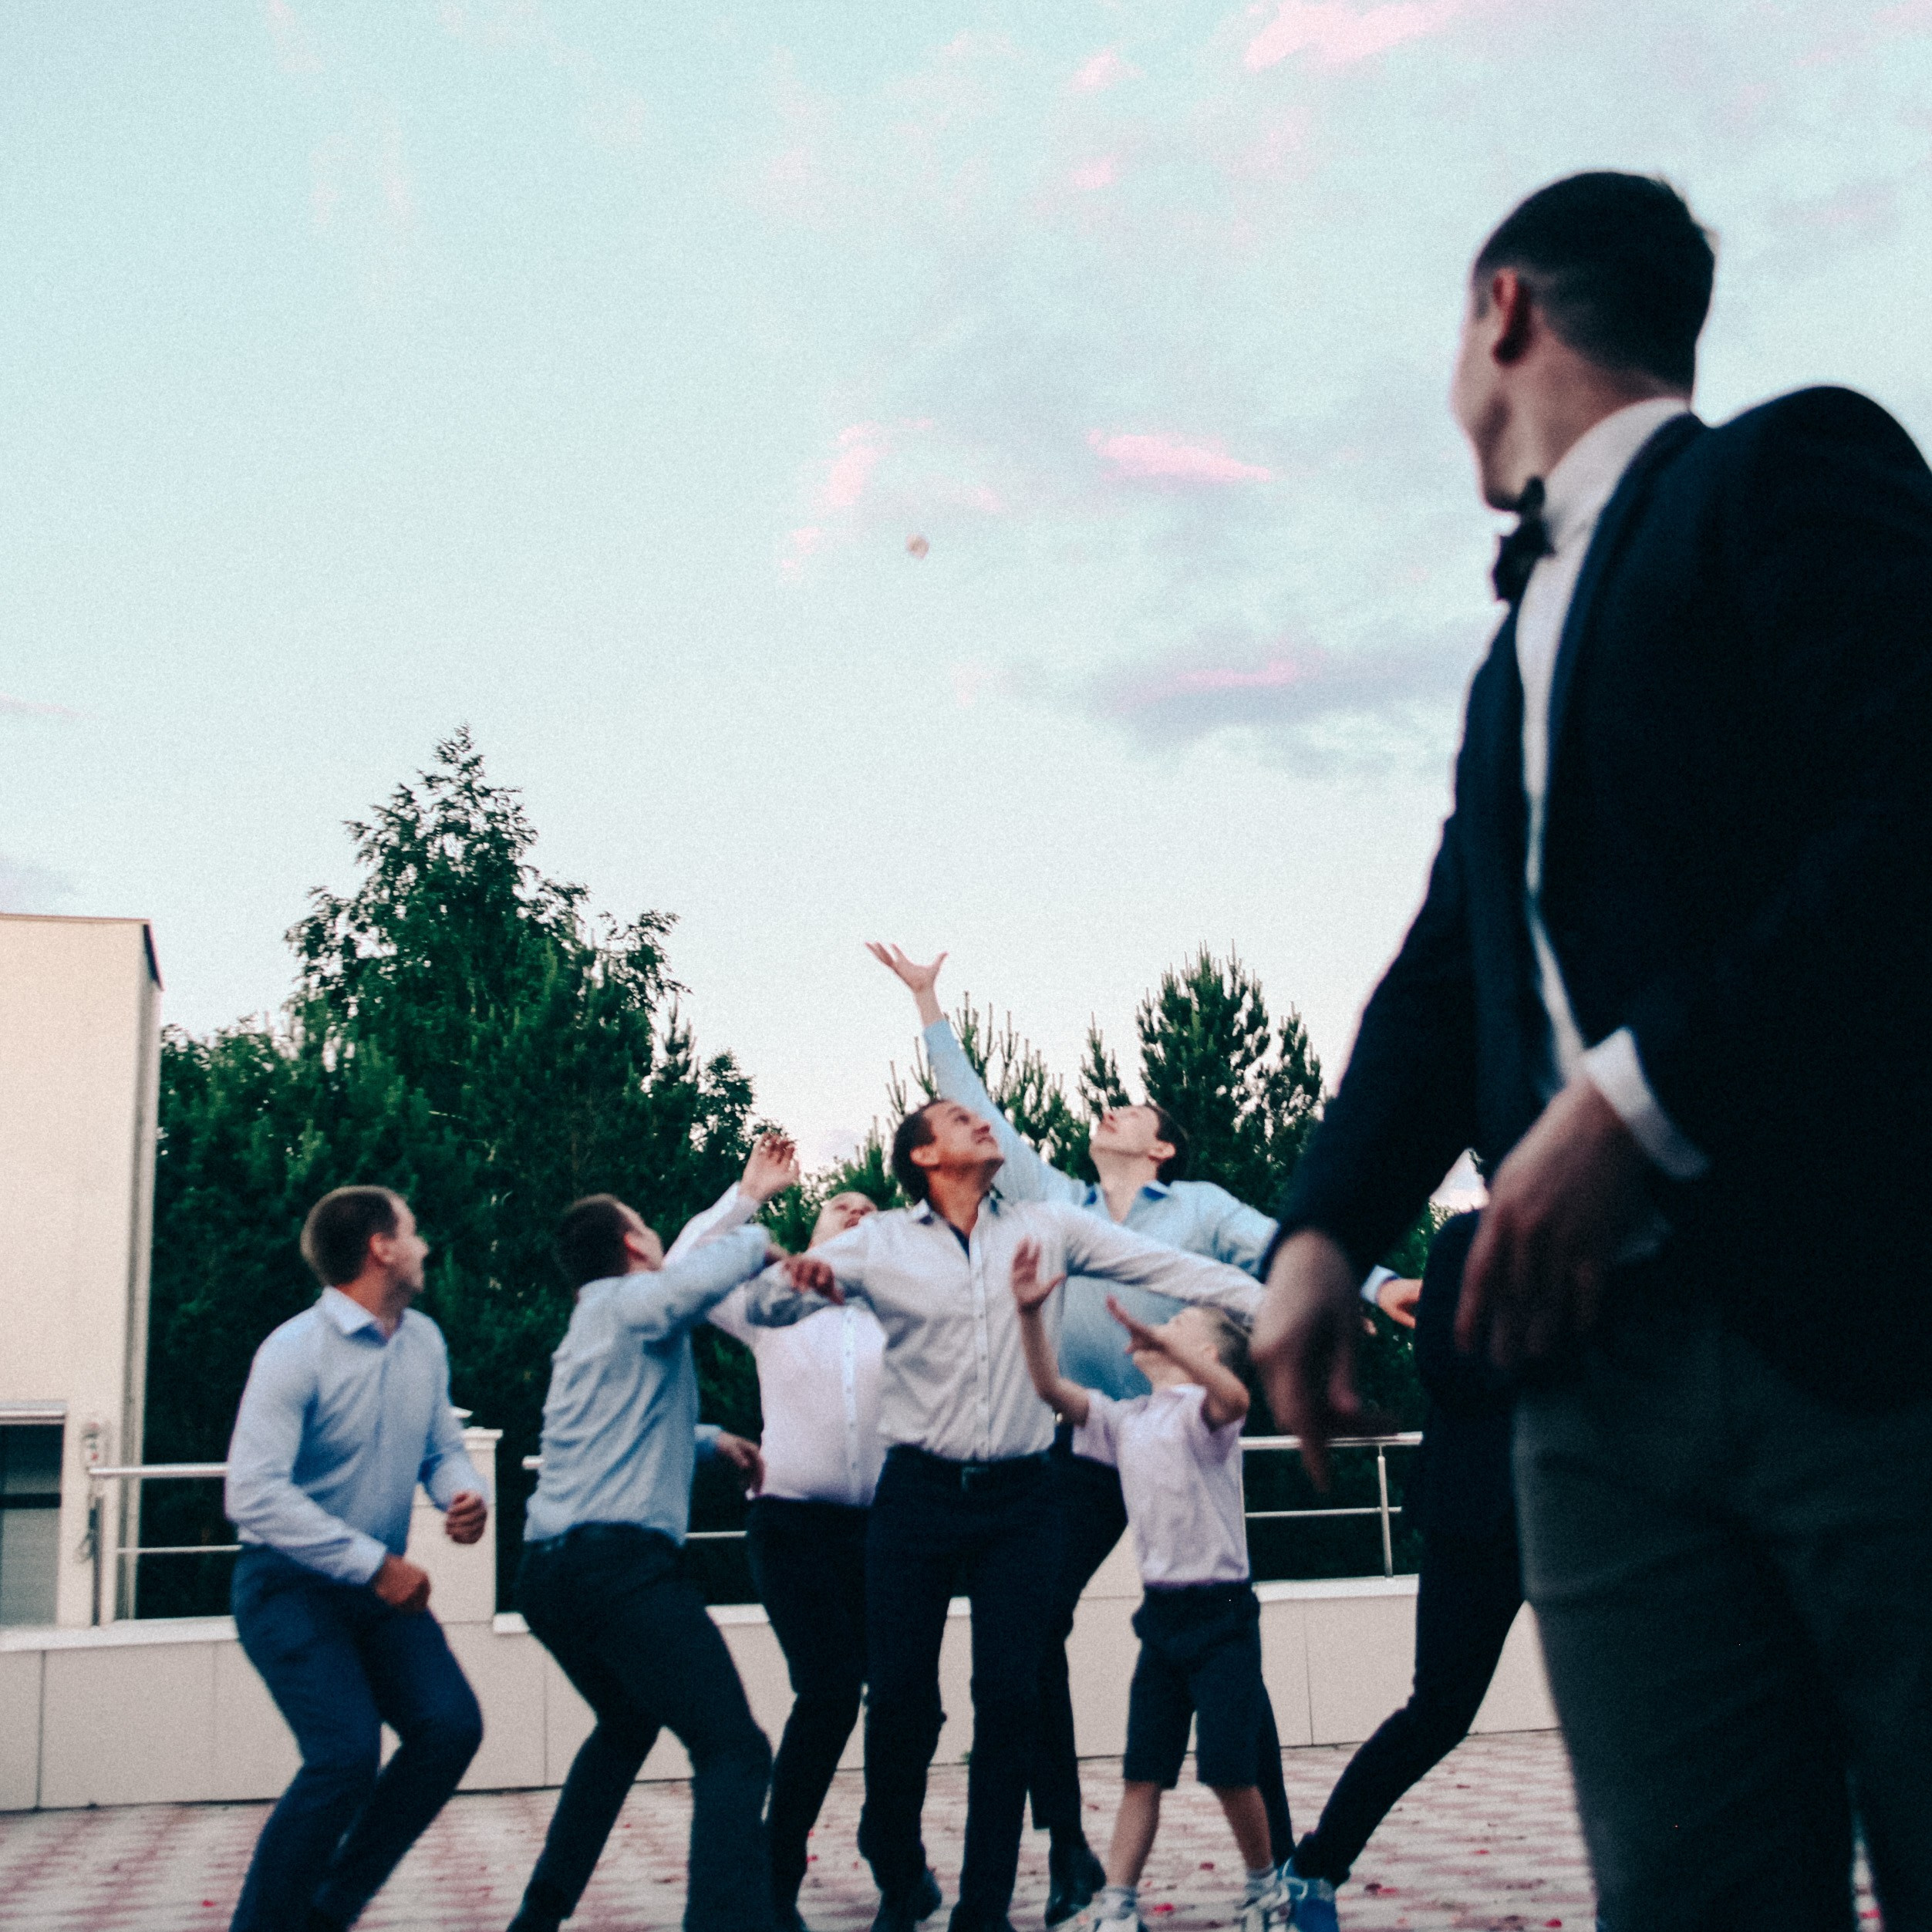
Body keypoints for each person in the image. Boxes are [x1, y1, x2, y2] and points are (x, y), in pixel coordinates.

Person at [1249, 170, 1932, 1930]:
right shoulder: (1504, 662)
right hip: (1590, 1393)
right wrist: (1320, 1230)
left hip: (1860, 1334)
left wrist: (1627, 1097)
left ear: (1499, 308)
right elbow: (1444, 961)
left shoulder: (1783, 470)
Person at [741, 1096, 1266, 1932]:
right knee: (904, 1701)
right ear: (924, 1158)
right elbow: (764, 1311)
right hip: (915, 1496)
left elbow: (1172, 1270)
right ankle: (899, 1878)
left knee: (1009, 1697)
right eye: (958, 1119)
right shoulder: (879, 1243)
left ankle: (983, 1909)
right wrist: (790, 1281)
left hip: (1023, 1499)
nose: (982, 1123)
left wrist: (1291, 1301)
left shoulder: (1050, 1226)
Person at [870, 942, 1305, 1924]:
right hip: (1081, 1441)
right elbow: (968, 1100)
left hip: (1179, 1442)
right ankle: (1067, 1844)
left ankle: (1276, 1864)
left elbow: (1272, 1253)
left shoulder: (1197, 1207)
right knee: (1033, 1639)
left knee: (1222, 1636)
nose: (1114, 1105)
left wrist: (1360, 1289)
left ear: (1161, 1147)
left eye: (1136, 1108)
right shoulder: (1051, 1200)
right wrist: (930, 1003)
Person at [503, 1192, 832, 1932]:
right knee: (735, 1750)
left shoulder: (590, 1327)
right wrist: (764, 1243)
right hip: (617, 1566)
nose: (658, 1238)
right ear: (634, 1245)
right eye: (649, 1227)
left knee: (625, 1726)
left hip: (548, 1573)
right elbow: (687, 1285)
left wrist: (713, 1439)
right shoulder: (630, 1301)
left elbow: (614, 1438)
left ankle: (537, 1917)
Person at [224, 1185, 491, 1932]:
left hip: (376, 1592)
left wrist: (462, 1496)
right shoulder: (293, 1350)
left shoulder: (424, 1342)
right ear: (380, 1247)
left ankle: (326, 1913)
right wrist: (374, 1564)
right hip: (288, 1587)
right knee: (344, 1756)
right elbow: (252, 1494)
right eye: (413, 1230)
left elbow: (442, 1448)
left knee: (450, 1728)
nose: (424, 1246)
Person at [1010, 1238, 1292, 1932]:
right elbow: (1049, 1389)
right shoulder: (1124, 1420)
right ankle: (1117, 1903)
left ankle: (1265, 1887)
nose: (1161, 1325)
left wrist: (1171, 1342)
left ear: (1206, 1353)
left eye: (1180, 1323)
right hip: (1161, 1621)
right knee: (1143, 1774)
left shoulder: (1209, 1418)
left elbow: (1233, 1392)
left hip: (1222, 1617)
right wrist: (1028, 1317)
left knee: (1230, 1769)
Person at [667, 1134, 901, 1932]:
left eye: (874, 1211)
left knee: (907, 1701)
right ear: (813, 1232)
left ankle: (894, 1853)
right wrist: (747, 1195)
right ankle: (777, 1872)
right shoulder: (770, 1298)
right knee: (831, 1690)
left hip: (888, 1534)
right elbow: (679, 1277)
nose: (860, 1211)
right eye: (844, 1205)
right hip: (791, 1527)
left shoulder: (900, 1316)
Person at [1281, 1213, 1518, 1931]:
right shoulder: (1463, 1240)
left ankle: (1635, 1898)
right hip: (1476, 1511)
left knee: (1621, 1715)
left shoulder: (1620, 1234)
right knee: (1438, 1711)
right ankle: (1315, 1868)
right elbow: (1445, 1367)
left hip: (1590, 1506)